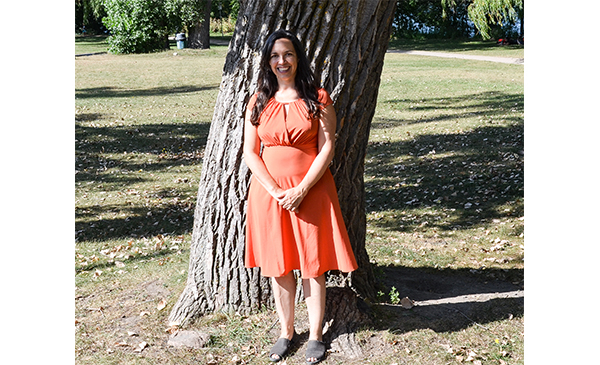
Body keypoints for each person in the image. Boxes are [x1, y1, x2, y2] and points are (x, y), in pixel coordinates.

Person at [243, 29, 358, 364]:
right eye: (276, 55)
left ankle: (317, 335)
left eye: (289, 54)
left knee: (312, 264)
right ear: (268, 61)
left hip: (311, 190)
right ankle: (286, 331)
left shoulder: (318, 97)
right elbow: (251, 153)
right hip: (269, 194)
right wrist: (277, 190)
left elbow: (327, 149)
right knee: (279, 265)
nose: (282, 61)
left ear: (298, 58)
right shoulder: (258, 100)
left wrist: (301, 189)